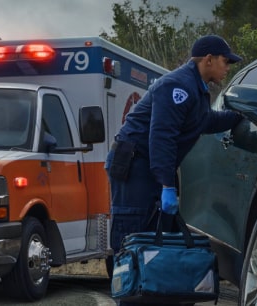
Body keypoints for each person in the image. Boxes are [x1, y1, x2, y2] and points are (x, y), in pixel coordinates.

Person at [104, 35, 243, 305]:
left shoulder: (197, 88)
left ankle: (149, 295)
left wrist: (239, 118)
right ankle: (128, 298)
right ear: (208, 60)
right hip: (135, 165)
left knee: (154, 238)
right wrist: (167, 184)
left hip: (148, 165)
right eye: (226, 62)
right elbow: (161, 137)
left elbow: (205, 121)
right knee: (132, 236)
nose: (228, 68)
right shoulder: (178, 85)